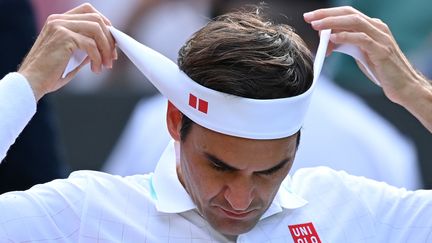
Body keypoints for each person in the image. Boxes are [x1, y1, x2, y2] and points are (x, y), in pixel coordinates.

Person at [0, 3, 431, 242]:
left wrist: (415, 91)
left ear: (297, 144)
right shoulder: (85, 212)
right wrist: (27, 85)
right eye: (220, 166)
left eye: (270, 170)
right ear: (174, 120)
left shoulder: (350, 209)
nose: (241, 199)